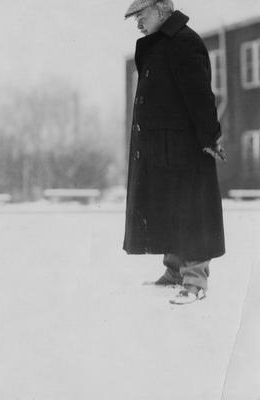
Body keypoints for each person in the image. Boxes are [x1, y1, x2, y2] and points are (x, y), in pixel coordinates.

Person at [123, 0, 226, 305]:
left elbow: (200, 96)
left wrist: (210, 137)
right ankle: (174, 272)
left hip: (186, 147)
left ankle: (195, 281)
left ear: (160, 10)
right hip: (163, 146)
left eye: (142, 15)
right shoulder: (161, 45)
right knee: (169, 207)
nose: (138, 23)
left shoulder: (184, 43)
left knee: (191, 211)